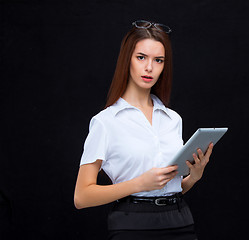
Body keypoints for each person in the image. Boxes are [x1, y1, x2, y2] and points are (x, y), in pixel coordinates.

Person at [74, 20, 214, 240]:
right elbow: (81, 196)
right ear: (127, 59)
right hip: (133, 224)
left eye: (158, 60)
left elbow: (168, 188)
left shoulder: (172, 119)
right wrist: (138, 184)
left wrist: (192, 178)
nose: (149, 67)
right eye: (141, 57)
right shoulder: (106, 122)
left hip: (180, 220)